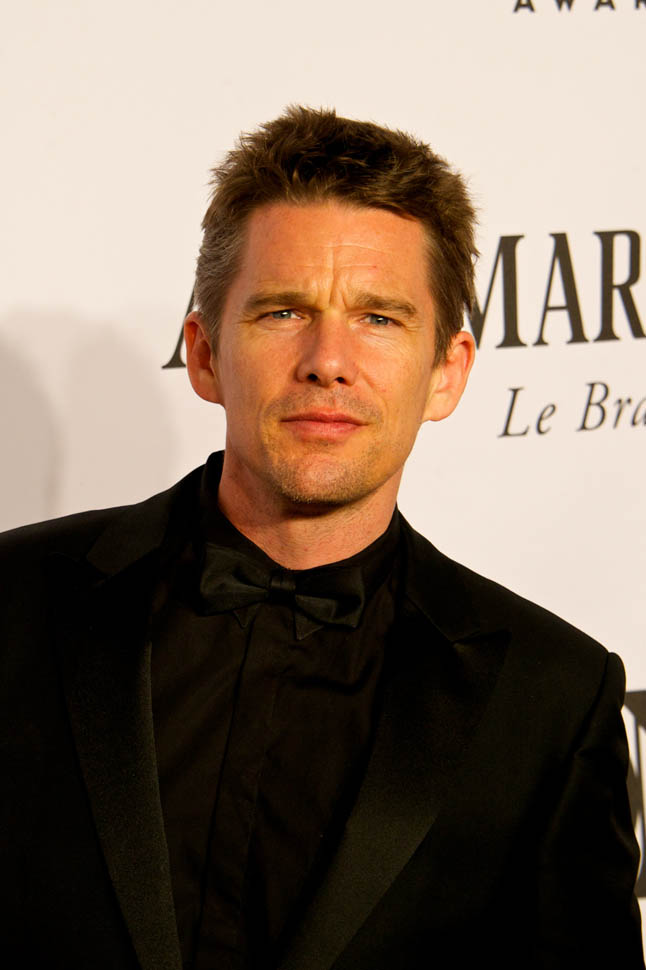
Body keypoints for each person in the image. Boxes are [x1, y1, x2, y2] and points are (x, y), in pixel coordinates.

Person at [0, 106, 642, 970]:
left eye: (379, 318)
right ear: (204, 354)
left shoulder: (550, 700)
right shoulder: (13, 605)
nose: (328, 360)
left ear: (447, 371)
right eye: (282, 311)